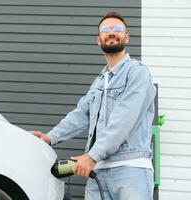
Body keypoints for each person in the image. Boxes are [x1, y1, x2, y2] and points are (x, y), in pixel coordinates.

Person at [31, 11, 156, 200]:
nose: (111, 32)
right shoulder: (100, 81)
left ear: (127, 37)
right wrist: (50, 137)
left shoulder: (138, 73)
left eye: (118, 29)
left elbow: (124, 118)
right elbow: (81, 114)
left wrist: (91, 156)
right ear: (99, 40)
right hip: (98, 170)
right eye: (106, 29)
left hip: (130, 169)